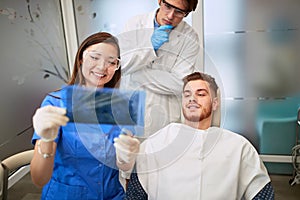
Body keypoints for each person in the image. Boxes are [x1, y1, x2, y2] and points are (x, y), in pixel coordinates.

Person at [121, 72, 275, 199]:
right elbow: (135, 194)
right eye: (187, 95)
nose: (192, 99)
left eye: (201, 94)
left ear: (215, 103)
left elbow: (262, 193)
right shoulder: (157, 142)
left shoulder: (238, 146)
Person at [30, 32, 139, 199]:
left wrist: (128, 157)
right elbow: (39, 178)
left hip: (111, 195)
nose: (102, 67)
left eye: (111, 62)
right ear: (81, 58)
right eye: (95, 57)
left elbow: (122, 165)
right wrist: (46, 141)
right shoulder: (55, 104)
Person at [118, 0, 201, 137]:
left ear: (186, 14)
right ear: (159, 1)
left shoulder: (190, 37)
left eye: (179, 12)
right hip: (129, 110)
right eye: (167, 6)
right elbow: (121, 66)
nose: (170, 16)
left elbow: (179, 84)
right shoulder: (134, 24)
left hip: (164, 117)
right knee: (127, 155)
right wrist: (149, 47)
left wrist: (137, 72)